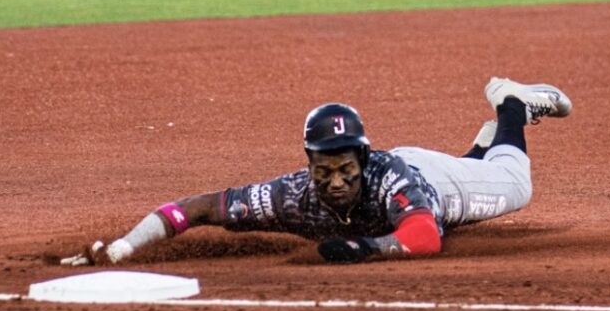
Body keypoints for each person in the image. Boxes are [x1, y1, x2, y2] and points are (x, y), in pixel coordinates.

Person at [61, 77, 572, 265]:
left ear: (363, 161)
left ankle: (510, 105)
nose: (335, 180)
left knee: (515, 185)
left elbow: (423, 236)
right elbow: (195, 209)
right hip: (425, 186)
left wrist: (365, 249)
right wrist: (124, 247)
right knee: (483, 173)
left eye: (345, 168)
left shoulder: (391, 178)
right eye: (324, 169)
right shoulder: (290, 196)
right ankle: (483, 143)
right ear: (309, 164)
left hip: (434, 183)